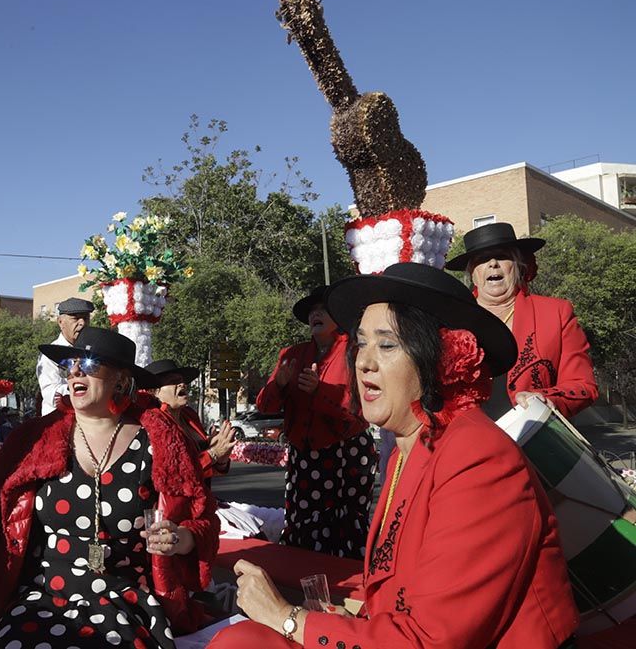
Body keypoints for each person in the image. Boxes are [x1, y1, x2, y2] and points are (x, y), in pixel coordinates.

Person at [211, 263, 578, 649]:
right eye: (361, 343)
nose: (363, 361)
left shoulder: (477, 457)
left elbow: (431, 640)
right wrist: (339, 618)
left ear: (442, 359)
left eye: (386, 345)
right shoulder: (413, 446)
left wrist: (287, 618)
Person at [0, 327, 219, 647]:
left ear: (121, 380)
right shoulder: (36, 436)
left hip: (124, 599)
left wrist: (181, 539)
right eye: (70, 363)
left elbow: (203, 517)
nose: (76, 371)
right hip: (41, 597)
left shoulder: (160, 439)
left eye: (91, 363)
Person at [254, 285, 374, 558]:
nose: (315, 315)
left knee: (341, 526)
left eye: (323, 310)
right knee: (304, 524)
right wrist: (280, 385)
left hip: (346, 453)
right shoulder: (291, 354)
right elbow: (264, 405)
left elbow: (361, 408)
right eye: (312, 312)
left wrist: (320, 392)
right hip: (304, 455)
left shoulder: (355, 352)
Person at [445, 221, 597, 420]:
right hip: (469, 440)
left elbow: (584, 385)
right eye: (482, 260)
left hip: (532, 440)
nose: (493, 264)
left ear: (518, 266)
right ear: (472, 273)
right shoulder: (449, 321)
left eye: (502, 256)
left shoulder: (556, 312)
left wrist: (544, 399)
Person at [146, 359, 235, 484]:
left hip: (201, 499)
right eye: (173, 381)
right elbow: (175, 475)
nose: (182, 384)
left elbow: (204, 472)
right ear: (154, 392)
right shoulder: (153, 423)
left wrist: (221, 459)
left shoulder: (189, 415)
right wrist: (213, 454)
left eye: (182, 380)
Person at [36, 297, 94, 415]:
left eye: (86, 318)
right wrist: (84, 389)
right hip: (59, 421)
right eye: (76, 318)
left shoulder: (94, 350)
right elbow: (50, 393)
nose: (82, 323)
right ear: (60, 322)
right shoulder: (50, 354)